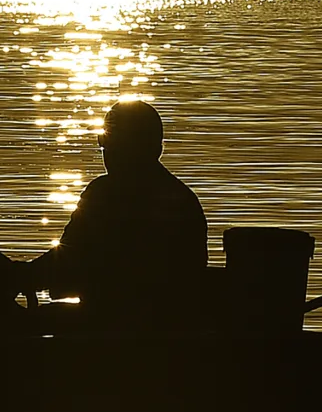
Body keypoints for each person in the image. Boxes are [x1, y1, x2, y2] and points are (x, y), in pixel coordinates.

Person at [26, 101, 208, 324]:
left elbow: (63, 265)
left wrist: (17, 276)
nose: (108, 155)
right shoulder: (184, 199)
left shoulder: (103, 195)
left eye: (111, 145)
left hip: (112, 327)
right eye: (106, 145)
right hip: (173, 327)